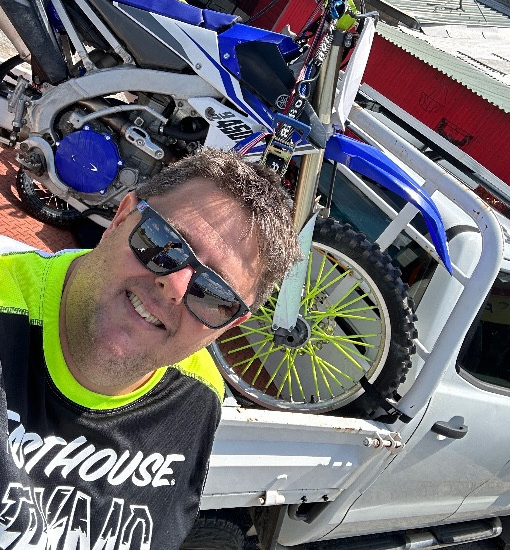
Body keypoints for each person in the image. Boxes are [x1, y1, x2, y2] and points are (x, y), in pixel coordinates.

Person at [0, 148, 301, 549]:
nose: (174, 286)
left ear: (228, 327)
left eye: (214, 293)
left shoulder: (199, 394)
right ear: (121, 218)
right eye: (163, 241)